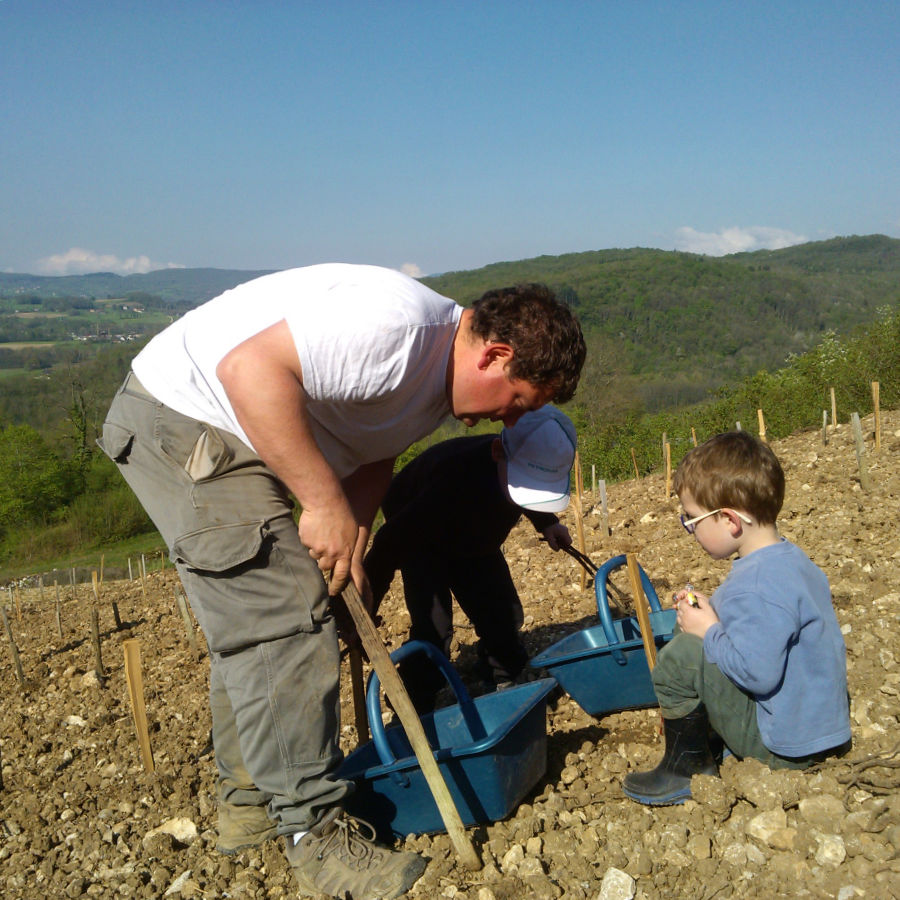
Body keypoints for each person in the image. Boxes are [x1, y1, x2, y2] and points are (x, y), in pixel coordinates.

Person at [99, 264, 585, 899]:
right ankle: (314, 833)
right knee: (287, 618)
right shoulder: (395, 329)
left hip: (241, 424)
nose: (505, 419)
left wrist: (351, 536)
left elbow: (373, 449)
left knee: (272, 618)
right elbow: (248, 371)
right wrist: (323, 505)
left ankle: (251, 805)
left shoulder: (437, 387)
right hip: (186, 416)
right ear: (495, 355)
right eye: (517, 401)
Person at [623, 430, 851, 806]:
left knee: (681, 657)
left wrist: (708, 630)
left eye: (692, 520)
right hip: (819, 730)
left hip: (783, 747)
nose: (690, 529)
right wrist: (715, 613)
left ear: (729, 520)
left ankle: (686, 769)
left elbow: (758, 674)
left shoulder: (755, 585)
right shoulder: (789, 560)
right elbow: (764, 623)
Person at [364, 405, 577, 713]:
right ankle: (412, 703)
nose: (529, 492)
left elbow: (532, 491)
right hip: (423, 534)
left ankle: (501, 675)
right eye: (523, 485)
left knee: (504, 613)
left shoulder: (521, 462)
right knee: (434, 630)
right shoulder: (448, 486)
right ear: (496, 453)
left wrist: (548, 523)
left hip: (476, 537)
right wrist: (366, 605)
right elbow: (387, 544)